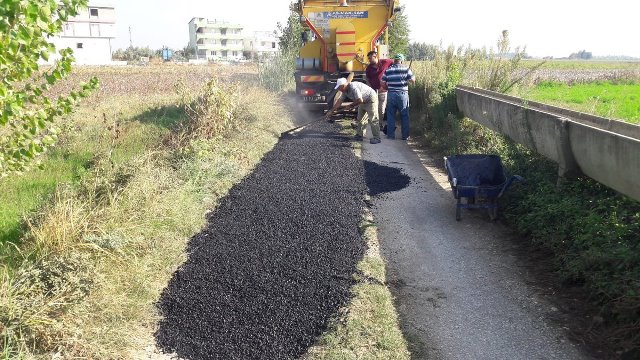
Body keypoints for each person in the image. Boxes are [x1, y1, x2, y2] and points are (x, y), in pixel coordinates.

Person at [324, 77, 382, 144]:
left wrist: (351, 105)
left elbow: (360, 100)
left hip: (370, 99)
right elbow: (339, 102)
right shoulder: (344, 91)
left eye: (339, 87)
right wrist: (331, 111)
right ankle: (360, 135)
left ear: (343, 86)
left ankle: (377, 137)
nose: (339, 89)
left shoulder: (353, 88)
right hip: (363, 101)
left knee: (373, 119)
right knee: (361, 118)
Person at [381, 53, 416, 140]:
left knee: (391, 115)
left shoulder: (388, 70)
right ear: (401, 60)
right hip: (402, 94)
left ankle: (390, 135)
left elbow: (382, 82)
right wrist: (409, 79)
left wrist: (387, 88)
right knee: (404, 115)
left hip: (391, 94)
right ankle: (405, 136)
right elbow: (412, 80)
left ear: (394, 60)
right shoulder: (406, 69)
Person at [365, 50, 393, 133]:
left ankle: (380, 124)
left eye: (370, 58)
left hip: (383, 90)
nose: (369, 60)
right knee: (372, 106)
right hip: (373, 90)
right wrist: (370, 88)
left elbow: (395, 62)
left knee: (381, 108)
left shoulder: (385, 62)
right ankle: (368, 123)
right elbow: (367, 79)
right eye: (368, 58)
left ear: (375, 57)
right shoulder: (369, 68)